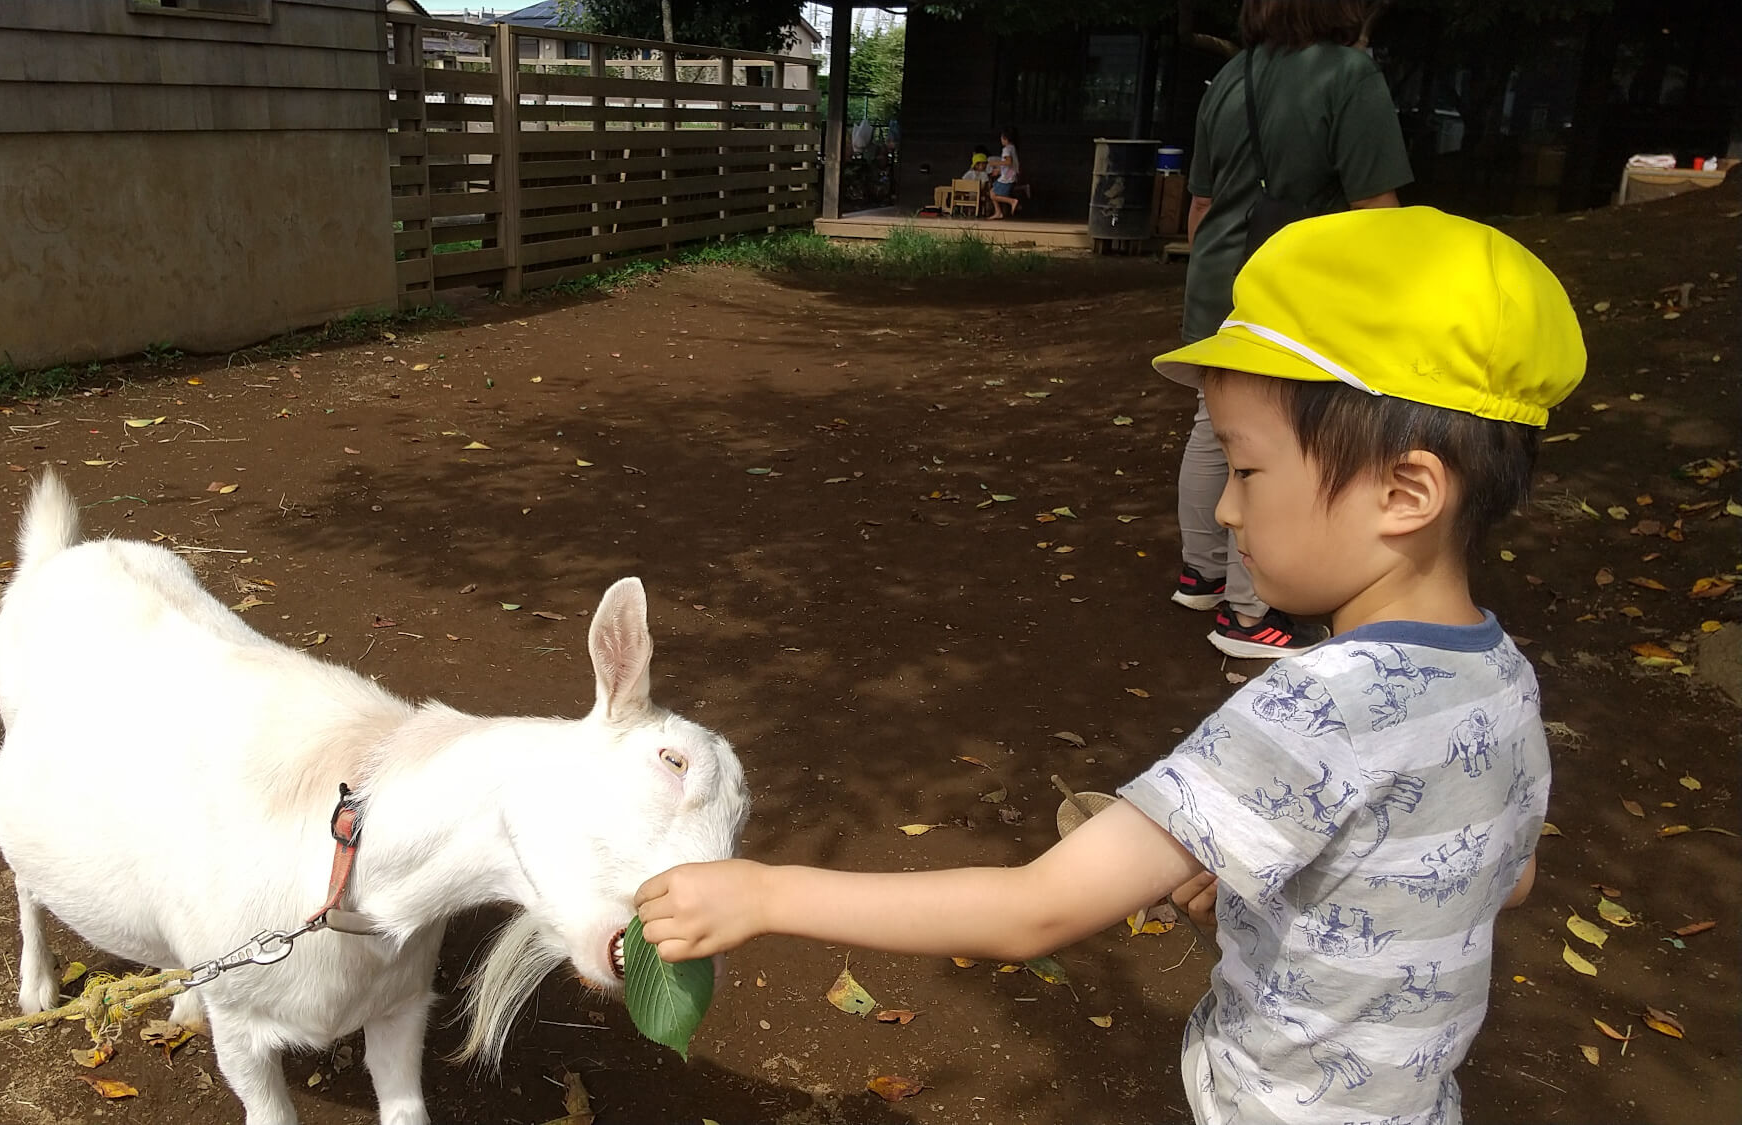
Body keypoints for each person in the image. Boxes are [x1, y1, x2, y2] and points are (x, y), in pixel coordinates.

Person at [636, 206, 1584, 1125]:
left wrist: (763, 892)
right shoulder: (1502, 678)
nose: (1225, 514)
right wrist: (1299, 893)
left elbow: (1033, 909)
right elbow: (1500, 873)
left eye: (1247, 472)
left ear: (1404, 489)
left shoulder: (1316, 706)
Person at [1175, 0, 1412, 658]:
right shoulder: (1348, 74)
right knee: (1276, 444)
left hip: (1218, 278)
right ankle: (1253, 616)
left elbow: (1198, 203)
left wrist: (1212, 282)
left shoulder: (1230, 77)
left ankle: (1203, 572)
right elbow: (1378, 211)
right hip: (1295, 287)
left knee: (1214, 424)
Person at [987, 126, 1022, 218]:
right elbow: (1011, 165)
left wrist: (995, 163)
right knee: (992, 192)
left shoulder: (1006, 149)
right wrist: (999, 171)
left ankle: (1012, 201)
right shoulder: (1012, 148)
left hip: (1007, 177)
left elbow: (1008, 162)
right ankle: (998, 212)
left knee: (993, 194)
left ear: (1005, 138)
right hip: (1010, 175)